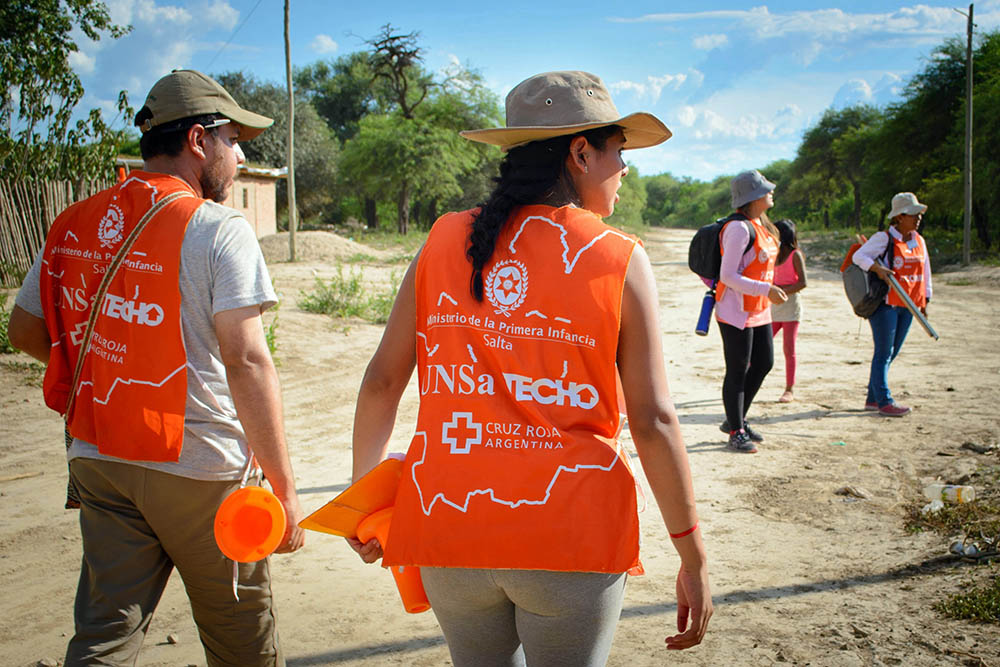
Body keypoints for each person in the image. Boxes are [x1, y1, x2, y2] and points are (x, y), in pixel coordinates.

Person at [348, 71, 711, 665]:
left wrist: (364, 501)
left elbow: (383, 381)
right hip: (567, 538)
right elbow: (653, 421)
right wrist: (691, 556)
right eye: (619, 152)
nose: (625, 169)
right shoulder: (618, 259)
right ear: (580, 152)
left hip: (447, 526)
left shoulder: (442, 239)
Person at [7, 69, 304, 666]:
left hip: (99, 458)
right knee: (241, 641)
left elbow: (24, 329)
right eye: (234, 139)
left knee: (104, 639)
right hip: (201, 474)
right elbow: (247, 361)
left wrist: (104, 374)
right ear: (199, 141)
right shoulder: (218, 228)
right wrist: (285, 489)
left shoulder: (74, 219)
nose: (241, 155)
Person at [715, 170, 787, 453]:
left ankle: (737, 419)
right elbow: (728, 275)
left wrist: (765, 292)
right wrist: (765, 289)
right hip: (735, 310)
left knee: (764, 363)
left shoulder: (761, 225)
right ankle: (736, 430)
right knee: (737, 370)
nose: (771, 191)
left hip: (759, 309)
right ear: (753, 196)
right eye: (765, 189)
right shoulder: (738, 229)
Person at [852, 192, 932, 417]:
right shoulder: (883, 238)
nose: (918, 218)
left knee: (892, 352)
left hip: (908, 304)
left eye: (918, 214)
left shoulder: (919, 241)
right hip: (886, 304)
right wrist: (876, 268)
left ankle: (872, 398)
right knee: (884, 352)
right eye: (912, 214)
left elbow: (925, 271)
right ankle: (885, 401)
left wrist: (925, 299)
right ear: (899, 217)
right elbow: (859, 257)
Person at [770, 219, 807, 403]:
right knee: (761, 344)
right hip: (773, 304)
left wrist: (782, 291)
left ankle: (789, 388)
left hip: (791, 305)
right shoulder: (772, 254)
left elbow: (803, 282)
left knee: (788, 348)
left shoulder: (795, 255)